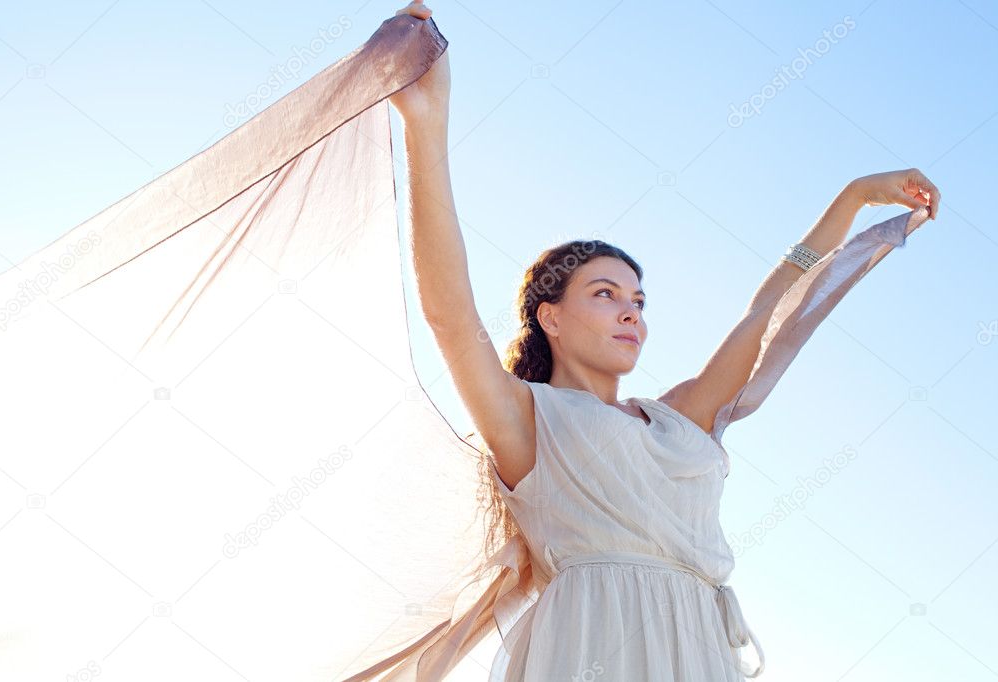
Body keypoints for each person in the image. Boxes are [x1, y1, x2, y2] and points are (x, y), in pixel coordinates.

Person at [386, 2, 941, 679]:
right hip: (587, 646)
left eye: (638, 301)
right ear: (549, 318)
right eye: (604, 294)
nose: (631, 314)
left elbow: (767, 312)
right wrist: (426, 125)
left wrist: (851, 197)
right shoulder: (528, 420)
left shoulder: (681, 420)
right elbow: (449, 315)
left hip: (699, 651)